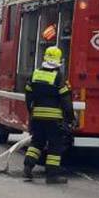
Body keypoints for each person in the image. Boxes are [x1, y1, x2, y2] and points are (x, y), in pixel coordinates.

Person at [22, 46, 73, 185]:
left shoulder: (35, 74)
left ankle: (28, 166)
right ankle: (52, 175)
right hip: (54, 119)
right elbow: (66, 100)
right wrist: (70, 118)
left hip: (37, 117)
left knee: (37, 142)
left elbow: (28, 95)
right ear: (58, 61)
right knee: (55, 146)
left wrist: (31, 111)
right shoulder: (58, 77)